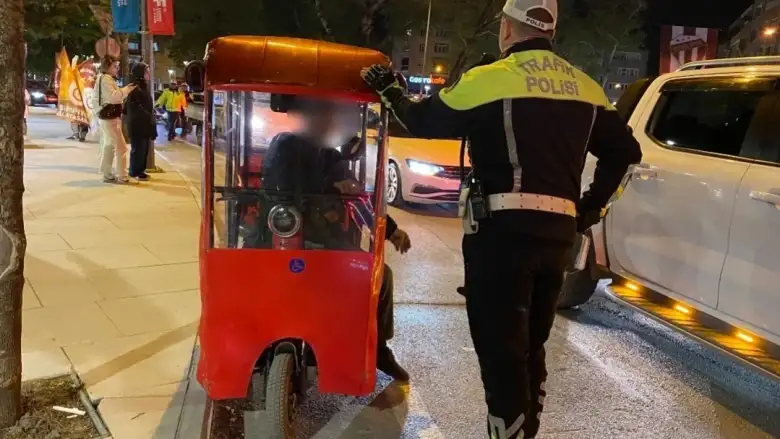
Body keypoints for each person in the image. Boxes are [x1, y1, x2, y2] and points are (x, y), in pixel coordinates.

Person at [361, 0, 642, 437]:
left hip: (501, 238)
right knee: (531, 348)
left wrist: (389, 91)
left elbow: (422, 121)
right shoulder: (584, 86)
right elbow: (626, 152)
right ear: (549, 31)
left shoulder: (490, 79)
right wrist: (589, 208)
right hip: (557, 239)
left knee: (502, 357)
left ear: (508, 30)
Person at [262, 97, 412, 381]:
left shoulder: (329, 153)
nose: (331, 123)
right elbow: (281, 188)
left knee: (381, 276)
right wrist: (330, 188)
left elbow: (358, 195)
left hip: (325, 240)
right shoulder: (285, 145)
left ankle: (378, 348)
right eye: (326, 116)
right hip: (282, 238)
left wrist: (390, 230)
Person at [95, 55, 136, 184]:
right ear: (107, 67)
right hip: (110, 118)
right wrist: (127, 89)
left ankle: (108, 174)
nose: (117, 68)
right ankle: (121, 176)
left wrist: (125, 90)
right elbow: (114, 97)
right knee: (120, 148)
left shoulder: (103, 78)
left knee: (111, 146)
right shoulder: (106, 79)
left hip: (108, 117)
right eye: (115, 66)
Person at [124, 62, 157, 181]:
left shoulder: (143, 86)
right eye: (146, 72)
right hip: (137, 124)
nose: (149, 74)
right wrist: (148, 115)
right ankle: (134, 172)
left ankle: (140, 171)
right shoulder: (134, 87)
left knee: (143, 149)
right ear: (140, 73)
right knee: (138, 149)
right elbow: (134, 107)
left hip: (144, 123)